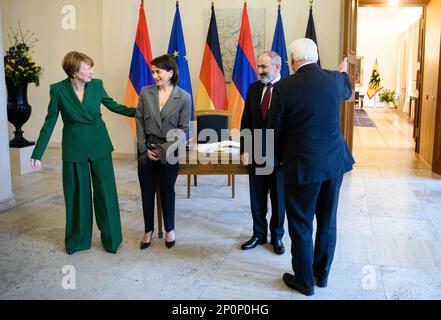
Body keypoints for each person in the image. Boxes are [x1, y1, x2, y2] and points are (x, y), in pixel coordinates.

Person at [30, 51, 136, 255]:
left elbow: (114, 106)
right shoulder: (58, 90)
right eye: (88, 68)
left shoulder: (96, 85)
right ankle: (78, 241)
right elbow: (49, 122)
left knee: (106, 193)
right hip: (74, 147)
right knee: (77, 194)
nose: (92, 71)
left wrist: (140, 111)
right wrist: (38, 152)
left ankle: (112, 240)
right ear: (74, 72)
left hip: (99, 144)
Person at [273, 38, 354, 296]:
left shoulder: (283, 87)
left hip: (302, 167)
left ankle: (304, 282)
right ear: (317, 56)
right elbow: (348, 90)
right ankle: (322, 275)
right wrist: (341, 72)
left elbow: (275, 131)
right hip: (333, 165)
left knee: (301, 225)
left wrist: (277, 160)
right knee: (328, 221)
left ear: (292, 60)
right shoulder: (334, 80)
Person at [136, 54, 191, 250]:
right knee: (147, 191)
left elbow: (184, 130)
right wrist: (144, 149)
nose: (154, 75)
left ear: (170, 72)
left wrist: (164, 149)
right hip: (147, 150)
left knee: (168, 191)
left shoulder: (184, 97)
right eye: (153, 72)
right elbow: (139, 122)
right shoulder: (145, 92)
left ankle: (170, 229)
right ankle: (148, 230)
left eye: (158, 71)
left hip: (170, 150)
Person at [240, 51, 285, 255]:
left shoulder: (287, 89)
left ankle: (277, 236)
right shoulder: (253, 88)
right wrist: (244, 149)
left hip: (280, 157)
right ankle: (259, 234)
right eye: (258, 66)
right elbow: (246, 121)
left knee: (278, 199)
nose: (259, 71)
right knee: (257, 197)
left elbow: (292, 126)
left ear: (276, 67)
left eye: (264, 67)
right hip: (256, 153)